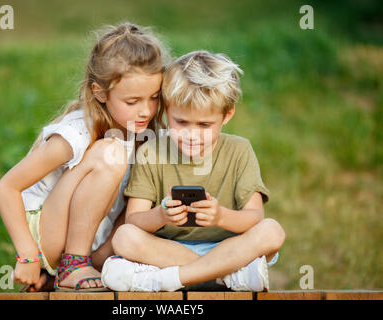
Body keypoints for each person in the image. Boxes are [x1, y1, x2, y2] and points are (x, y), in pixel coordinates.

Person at [0, 22, 169, 292]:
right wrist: (27, 255)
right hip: (48, 233)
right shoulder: (77, 132)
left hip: (97, 243)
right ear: (100, 93)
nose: (146, 110)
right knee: (110, 152)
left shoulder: (148, 135)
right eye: (132, 102)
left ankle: (64, 275)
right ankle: (72, 265)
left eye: (154, 98)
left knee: (154, 187)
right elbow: (6, 187)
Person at [101, 50, 285, 292]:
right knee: (124, 237)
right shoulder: (151, 152)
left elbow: (254, 217)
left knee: (272, 231)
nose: (192, 134)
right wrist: (161, 216)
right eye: (181, 122)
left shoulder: (239, 150)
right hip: (168, 250)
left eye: (205, 125)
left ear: (227, 115)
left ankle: (171, 279)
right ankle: (227, 276)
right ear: (166, 111)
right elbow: (135, 220)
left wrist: (220, 217)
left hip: (226, 248)